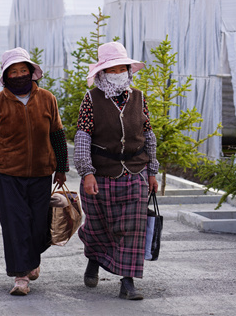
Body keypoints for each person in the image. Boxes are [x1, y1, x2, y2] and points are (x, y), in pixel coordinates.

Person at [0, 47, 69, 296]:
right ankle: (20, 276)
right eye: (13, 71)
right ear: (6, 76)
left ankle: (31, 260)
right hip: (7, 173)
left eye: (23, 70)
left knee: (39, 224)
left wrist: (61, 168)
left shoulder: (47, 99)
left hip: (41, 173)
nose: (19, 75)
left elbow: (57, 135)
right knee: (15, 223)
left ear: (32, 73)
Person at [74, 42, 159, 300]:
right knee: (100, 226)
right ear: (103, 71)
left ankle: (128, 282)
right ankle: (94, 259)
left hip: (135, 172)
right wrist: (86, 172)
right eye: (113, 68)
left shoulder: (139, 97)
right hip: (101, 173)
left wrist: (152, 170)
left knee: (133, 227)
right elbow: (82, 138)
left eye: (123, 67)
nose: (119, 71)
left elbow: (148, 134)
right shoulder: (91, 99)